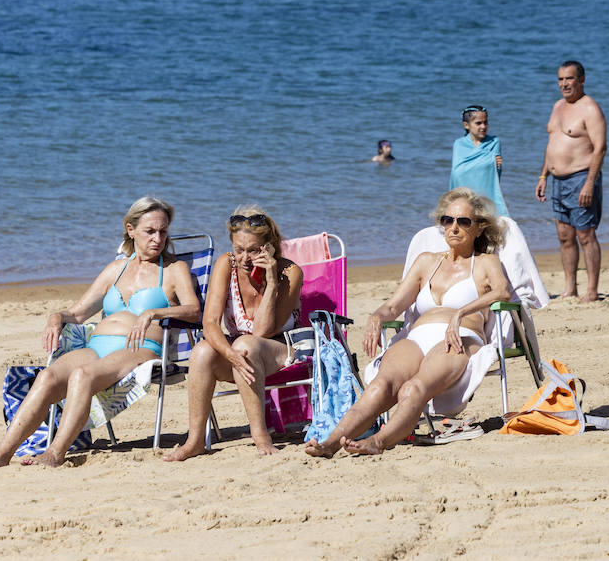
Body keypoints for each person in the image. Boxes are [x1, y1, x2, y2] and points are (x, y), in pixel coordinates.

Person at [0, 196, 201, 468]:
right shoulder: (115, 269)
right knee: (47, 377)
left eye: (163, 231)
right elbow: (78, 313)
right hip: (97, 346)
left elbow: (193, 311)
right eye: (150, 231)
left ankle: (55, 453)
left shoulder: (175, 270)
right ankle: (3, 453)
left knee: (82, 375)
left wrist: (154, 312)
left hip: (138, 350)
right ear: (131, 230)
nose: (158, 238)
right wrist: (56, 317)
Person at [304, 188, 511, 457]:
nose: (454, 227)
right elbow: (393, 305)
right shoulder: (426, 262)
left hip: (459, 336)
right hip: (418, 336)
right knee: (380, 385)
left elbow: (502, 292)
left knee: (414, 388)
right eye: (448, 220)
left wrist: (461, 313)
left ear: (479, 228)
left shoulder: (486, 262)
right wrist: (377, 316)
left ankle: (379, 442)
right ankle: (331, 443)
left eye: (464, 222)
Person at [164, 207, 304, 459]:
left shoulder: (289, 273)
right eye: (239, 249)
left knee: (246, 345)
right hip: (242, 354)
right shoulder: (226, 264)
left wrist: (271, 283)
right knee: (202, 351)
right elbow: (210, 323)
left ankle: (260, 435)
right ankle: (195, 440)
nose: (245, 258)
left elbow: (262, 331)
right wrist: (228, 353)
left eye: (254, 250)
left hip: (281, 350)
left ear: (269, 247)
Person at [534, 60, 607, 302]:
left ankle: (592, 291)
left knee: (586, 235)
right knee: (564, 236)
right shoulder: (557, 107)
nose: (564, 84)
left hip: (580, 178)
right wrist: (544, 175)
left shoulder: (590, 109)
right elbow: (552, 143)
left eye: (569, 78)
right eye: (560, 79)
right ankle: (570, 288)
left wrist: (589, 183)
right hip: (556, 180)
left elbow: (600, 148)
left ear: (582, 80)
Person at [451, 104, 508, 218]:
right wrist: (488, 161)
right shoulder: (459, 144)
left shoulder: (494, 142)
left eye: (485, 122)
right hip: (465, 194)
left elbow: (496, 168)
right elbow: (458, 172)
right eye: (478, 123)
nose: (483, 126)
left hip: (487, 192)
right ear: (466, 125)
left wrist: (488, 162)